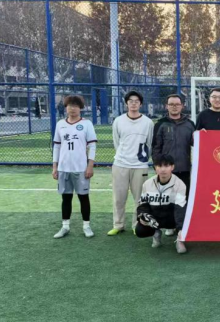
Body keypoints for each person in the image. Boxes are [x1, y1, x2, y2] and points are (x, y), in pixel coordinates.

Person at [108, 90, 154, 236]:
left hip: (140, 166)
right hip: (120, 164)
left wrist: (143, 159)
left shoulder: (148, 122)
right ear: (126, 104)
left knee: (140, 199)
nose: (133, 104)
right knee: (119, 198)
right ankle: (118, 225)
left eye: (136, 101)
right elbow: (116, 142)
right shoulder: (118, 121)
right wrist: (123, 156)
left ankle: (137, 225)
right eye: (130, 101)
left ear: (140, 104)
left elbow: (150, 143)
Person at [51, 95, 97, 239]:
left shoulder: (87, 124)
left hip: (81, 168)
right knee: (66, 198)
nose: (72, 108)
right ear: (66, 108)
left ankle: (86, 226)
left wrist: (90, 166)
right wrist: (55, 167)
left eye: (76, 106)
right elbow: (57, 146)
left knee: (84, 198)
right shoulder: (60, 124)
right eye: (70, 105)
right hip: (64, 168)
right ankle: (65, 226)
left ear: (80, 108)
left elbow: (92, 146)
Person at [136, 154, 188, 253]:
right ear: (155, 167)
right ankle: (156, 232)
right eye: (159, 166)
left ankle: (179, 239)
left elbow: (180, 208)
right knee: (140, 230)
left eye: (166, 166)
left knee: (186, 219)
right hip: (155, 218)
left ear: (172, 167)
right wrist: (143, 217)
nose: (163, 169)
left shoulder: (180, 184)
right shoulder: (147, 184)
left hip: (171, 218)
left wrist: (181, 228)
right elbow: (143, 205)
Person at [152, 94, 195, 192]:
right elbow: (155, 148)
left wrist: (203, 135)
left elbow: (196, 144)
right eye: (171, 104)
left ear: (182, 106)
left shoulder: (190, 124)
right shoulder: (160, 124)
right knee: (166, 199)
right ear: (166, 106)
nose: (174, 107)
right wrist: (157, 166)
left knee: (183, 199)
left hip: (184, 169)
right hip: (166, 170)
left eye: (177, 104)